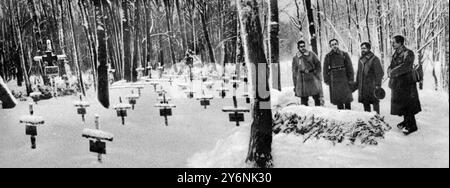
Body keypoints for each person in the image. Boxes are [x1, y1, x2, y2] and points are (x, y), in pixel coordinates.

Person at [388, 35, 422, 135]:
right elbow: (392, 65)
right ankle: (406, 121)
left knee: (408, 104)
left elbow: (406, 67)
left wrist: (393, 72)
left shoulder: (408, 53)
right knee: (402, 104)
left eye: (394, 42)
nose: (392, 44)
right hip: (398, 83)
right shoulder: (396, 53)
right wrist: (389, 70)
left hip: (407, 83)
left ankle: (412, 126)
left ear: (400, 43)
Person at [323, 39, 355, 110]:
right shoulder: (328, 56)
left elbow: (350, 68)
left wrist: (351, 79)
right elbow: (325, 69)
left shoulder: (344, 54)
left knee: (347, 99)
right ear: (330, 46)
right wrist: (327, 80)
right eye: (332, 45)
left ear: (338, 44)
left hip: (344, 78)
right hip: (334, 80)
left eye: (335, 44)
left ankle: (348, 113)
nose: (334, 46)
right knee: (338, 100)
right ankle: (341, 116)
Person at [355, 42, 384, 114]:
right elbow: (359, 73)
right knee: (366, 104)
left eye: (364, 48)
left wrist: (378, 85)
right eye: (361, 48)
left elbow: (380, 73)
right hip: (363, 87)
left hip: (372, 86)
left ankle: (378, 120)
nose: (363, 50)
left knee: (375, 103)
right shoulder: (361, 59)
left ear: (369, 49)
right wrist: (357, 83)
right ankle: (368, 121)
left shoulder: (374, 59)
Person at [292, 40, 323, 106]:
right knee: (304, 99)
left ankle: (318, 112)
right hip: (302, 79)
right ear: (298, 48)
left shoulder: (311, 54)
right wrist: (295, 83)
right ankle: (305, 114)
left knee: (316, 97)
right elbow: (294, 71)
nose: (302, 48)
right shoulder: (296, 58)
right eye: (301, 47)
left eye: (303, 46)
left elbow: (318, 64)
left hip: (312, 77)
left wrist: (317, 73)